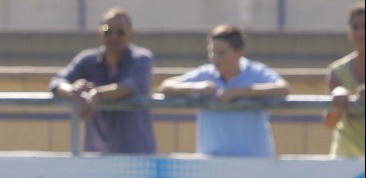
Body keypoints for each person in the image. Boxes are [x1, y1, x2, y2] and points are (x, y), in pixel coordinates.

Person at [158, 24, 291, 157]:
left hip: (254, 162)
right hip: (212, 163)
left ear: (238, 52)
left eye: (221, 53)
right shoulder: (205, 74)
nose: (215, 58)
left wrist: (239, 92)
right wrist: (197, 87)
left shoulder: (255, 72)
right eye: (212, 52)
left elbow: (283, 88)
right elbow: (166, 87)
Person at [49, 6, 156, 154]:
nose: (113, 37)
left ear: (130, 33)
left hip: (136, 156)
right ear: (99, 32)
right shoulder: (87, 60)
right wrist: (73, 91)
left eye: (120, 32)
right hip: (96, 156)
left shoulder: (141, 59)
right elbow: (58, 81)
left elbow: (129, 87)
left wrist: (97, 95)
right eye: (107, 31)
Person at [323, 2, 365, 157]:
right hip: (345, 160)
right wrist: (339, 95)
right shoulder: (337, 70)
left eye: (365, 26)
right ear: (349, 32)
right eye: (356, 27)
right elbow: (329, 123)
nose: (361, 32)